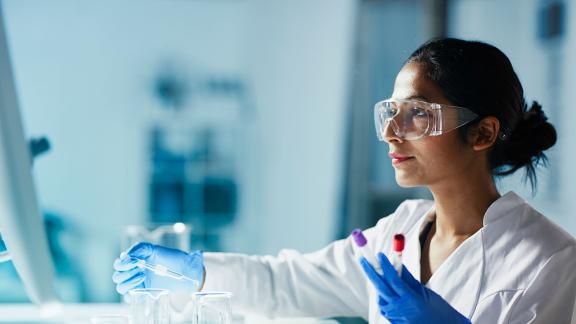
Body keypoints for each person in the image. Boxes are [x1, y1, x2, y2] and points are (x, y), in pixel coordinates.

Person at [112, 38, 576, 323]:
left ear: (482, 132)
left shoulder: (550, 259)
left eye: (417, 113)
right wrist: (195, 271)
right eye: (390, 112)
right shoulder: (398, 233)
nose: (392, 132)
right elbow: (286, 284)